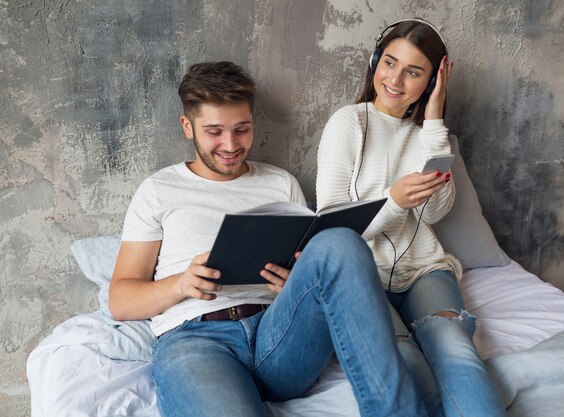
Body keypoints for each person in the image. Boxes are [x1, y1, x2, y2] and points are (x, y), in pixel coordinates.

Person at [109, 61, 427, 417]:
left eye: (241, 129)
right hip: (198, 341)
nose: (230, 145)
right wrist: (181, 285)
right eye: (214, 131)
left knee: (341, 242)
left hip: (279, 334)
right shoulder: (158, 190)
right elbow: (121, 300)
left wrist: (293, 284)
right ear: (188, 127)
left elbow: (305, 266)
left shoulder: (280, 183)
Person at [316, 19, 506, 417]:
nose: (396, 79)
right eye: (389, 62)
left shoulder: (429, 134)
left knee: (457, 350)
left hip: (425, 270)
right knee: (408, 362)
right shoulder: (347, 123)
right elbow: (331, 229)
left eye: (414, 71)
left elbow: (435, 211)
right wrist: (393, 200)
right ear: (374, 62)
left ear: (433, 80)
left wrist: (434, 121)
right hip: (360, 275)